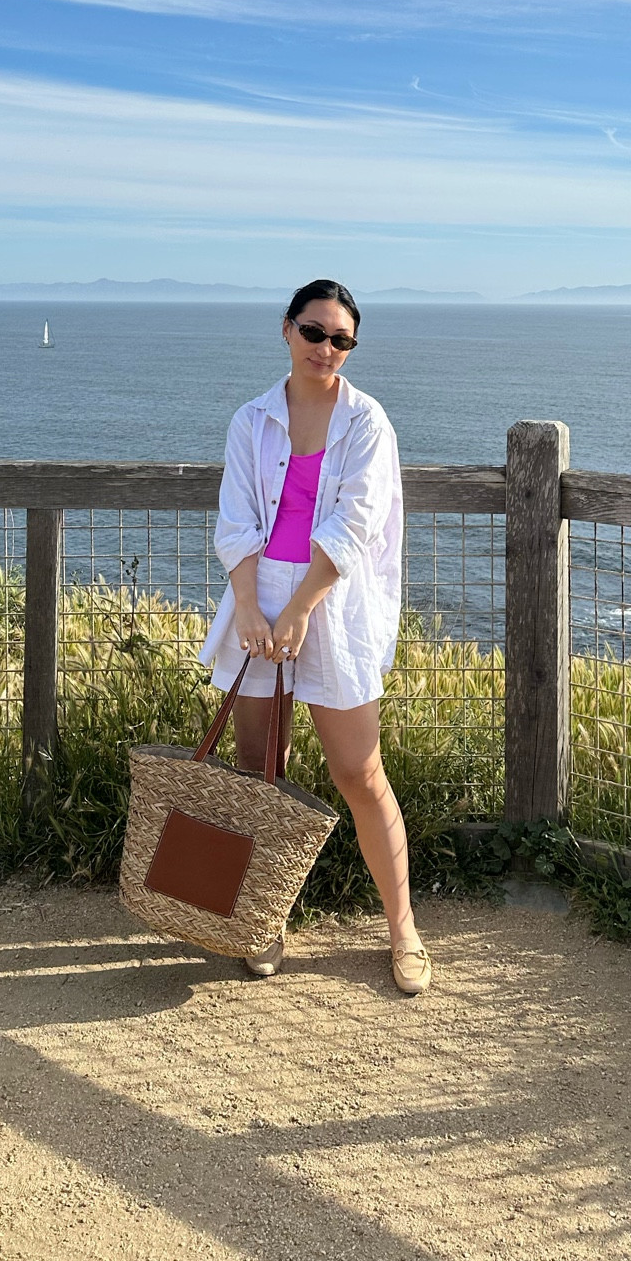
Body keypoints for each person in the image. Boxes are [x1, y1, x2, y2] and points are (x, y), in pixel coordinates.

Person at [200, 279, 430, 995]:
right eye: (313, 332)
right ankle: (264, 919)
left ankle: (404, 931)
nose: (325, 348)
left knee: (359, 773)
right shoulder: (251, 420)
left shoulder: (367, 422)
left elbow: (356, 523)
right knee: (259, 767)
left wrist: (300, 606)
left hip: (333, 604)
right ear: (287, 329)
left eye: (341, 339)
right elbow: (237, 521)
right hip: (257, 600)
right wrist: (250, 607)